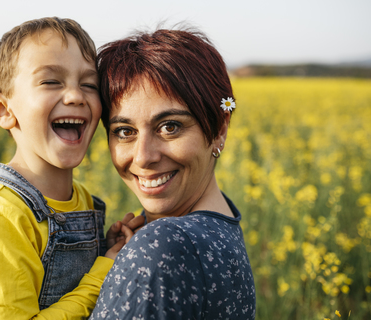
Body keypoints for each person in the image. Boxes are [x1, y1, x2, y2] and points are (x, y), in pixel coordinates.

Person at [0, 17, 143, 320]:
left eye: (89, 84)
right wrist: (102, 274)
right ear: (3, 110)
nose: (76, 96)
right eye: (51, 81)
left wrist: (106, 249)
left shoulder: (80, 197)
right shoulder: (0, 214)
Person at [90, 28, 256, 319]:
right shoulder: (224, 222)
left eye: (170, 127)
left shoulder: (163, 245)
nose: (143, 157)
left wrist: (145, 254)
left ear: (219, 129)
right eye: (124, 131)